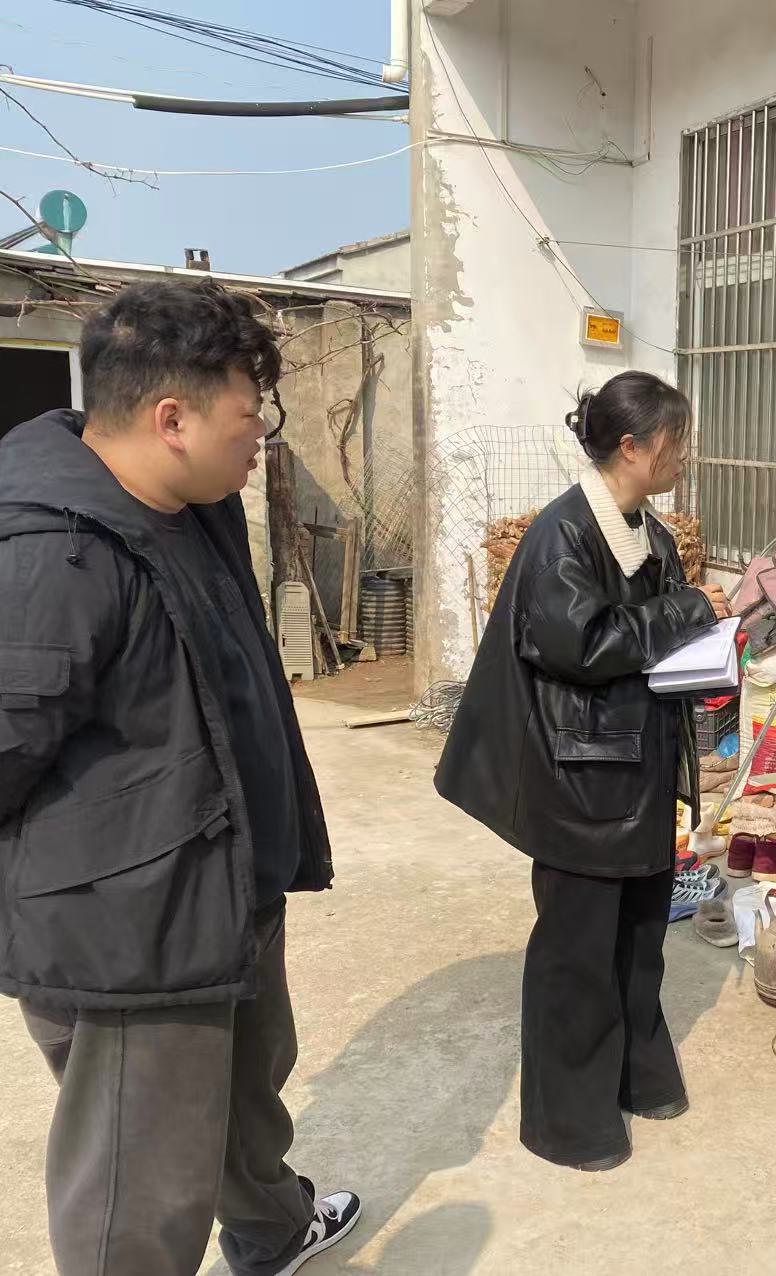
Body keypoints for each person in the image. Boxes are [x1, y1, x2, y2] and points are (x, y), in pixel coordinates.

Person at [0, 280, 360, 1276]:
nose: (262, 439)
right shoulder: (54, 552)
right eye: (251, 416)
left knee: (246, 1095)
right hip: (134, 935)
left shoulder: (189, 509)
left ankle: (273, 1231)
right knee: (136, 1196)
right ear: (172, 419)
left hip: (224, 885)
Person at [436, 371, 730, 1171]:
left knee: (638, 940)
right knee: (577, 954)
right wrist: (688, 611)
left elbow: (653, 636)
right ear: (633, 446)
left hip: (637, 770)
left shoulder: (648, 533)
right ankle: (568, 1123)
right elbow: (583, 645)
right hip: (580, 780)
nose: (684, 456)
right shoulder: (562, 535)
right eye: (676, 441)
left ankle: (637, 1077)